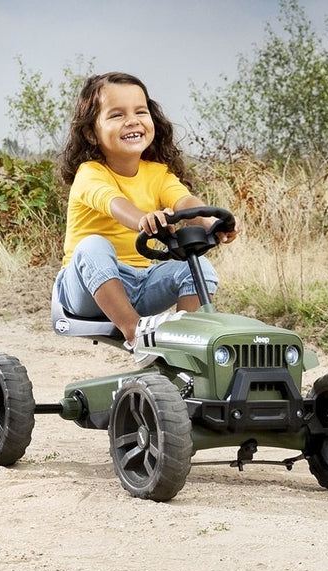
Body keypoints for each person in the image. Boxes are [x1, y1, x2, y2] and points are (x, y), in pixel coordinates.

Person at [55, 71, 237, 360]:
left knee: (198, 266)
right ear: (91, 132)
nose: (132, 120)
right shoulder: (90, 173)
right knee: (93, 245)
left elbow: (184, 201)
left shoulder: (158, 173)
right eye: (116, 115)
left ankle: (183, 345)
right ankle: (134, 333)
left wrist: (211, 223)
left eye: (140, 111)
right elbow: (113, 203)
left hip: (140, 283)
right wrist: (143, 218)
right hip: (86, 289)